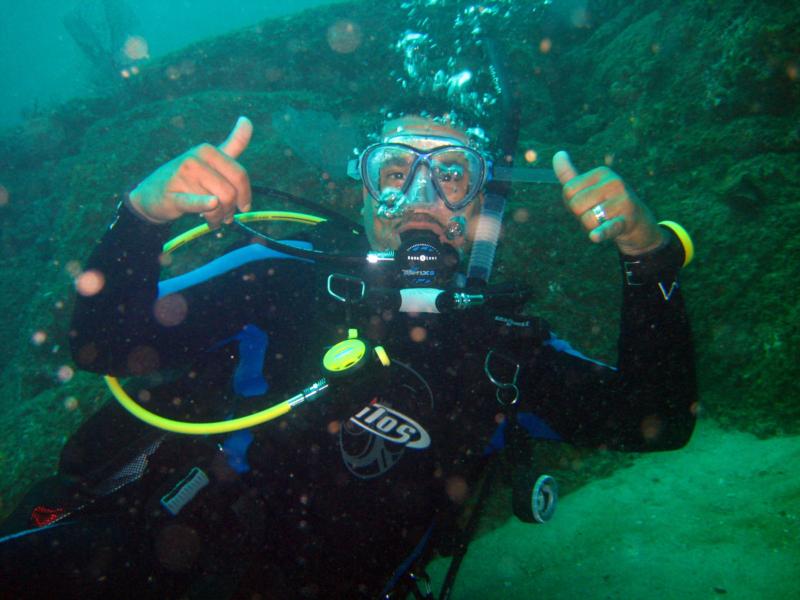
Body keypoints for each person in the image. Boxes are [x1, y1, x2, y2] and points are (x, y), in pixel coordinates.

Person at [0, 114, 696, 599]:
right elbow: (103, 344)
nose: (419, 194)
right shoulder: (278, 277)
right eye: (395, 168)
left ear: (482, 206)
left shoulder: (504, 354)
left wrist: (646, 256)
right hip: (165, 555)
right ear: (362, 190)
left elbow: (656, 418)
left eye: (452, 174)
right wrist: (144, 215)